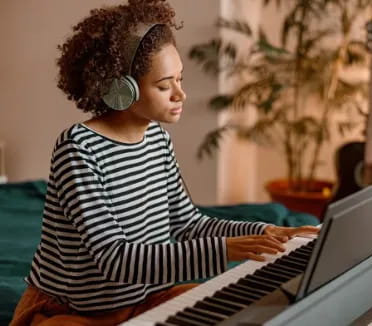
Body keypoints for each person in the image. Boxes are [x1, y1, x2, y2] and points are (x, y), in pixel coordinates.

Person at [9, 1, 319, 325]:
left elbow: (188, 225)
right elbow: (115, 259)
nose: (180, 94)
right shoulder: (78, 149)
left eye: (180, 79)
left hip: (147, 298)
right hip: (74, 311)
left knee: (233, 312)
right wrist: (225, 250)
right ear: (121, 89)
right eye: (163, 85)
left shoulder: (157, 139)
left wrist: (263, 232)